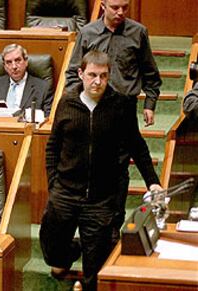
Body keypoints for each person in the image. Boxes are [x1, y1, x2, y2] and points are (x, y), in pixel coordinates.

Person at [41, 51, 162, 291]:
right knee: (52, 250)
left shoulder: (120, 106)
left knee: (95, 264)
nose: (97, 81)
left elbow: (137, 146)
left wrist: (152, 182)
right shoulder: (67, 102)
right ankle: (70, 252)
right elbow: (53, 146)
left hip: (101, 197)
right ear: (81, 74)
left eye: (103, 76)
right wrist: (53, 184)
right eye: (92, 75)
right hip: (65, 191)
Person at [65, 0, 162, 241]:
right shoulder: (87, 33)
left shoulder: (138, 32)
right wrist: (79, 104)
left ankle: (111, 230)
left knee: (119, 168)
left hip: (124, 109)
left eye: (125, 8)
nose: (120, 12)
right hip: (93, 110)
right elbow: (71, 74)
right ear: (103, 6)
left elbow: (151, 75)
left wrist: (149, 104)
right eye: (115, 7)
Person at [0, 43, 53, 117]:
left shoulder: (43, 87)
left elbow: (49, 118)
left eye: (18, 60)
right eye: (9, 62)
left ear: (26, 62)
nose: (14, 66)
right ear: (4, 66)